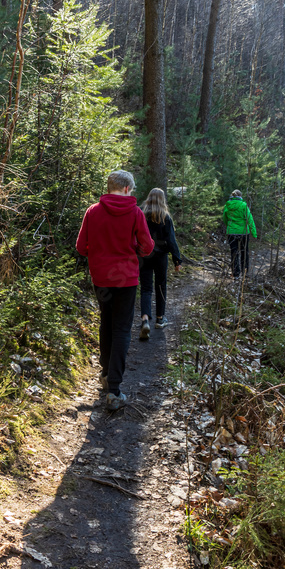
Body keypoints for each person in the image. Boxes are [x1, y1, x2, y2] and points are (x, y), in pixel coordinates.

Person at [76, 169, 154, 410]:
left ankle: (105, 374)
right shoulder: (135, 212)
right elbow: (148, 246)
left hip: (101, 278)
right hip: (127, 280)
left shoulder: (93, 211)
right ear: (127, 189)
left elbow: (81, 246)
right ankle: (114, 389)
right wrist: (135, 252)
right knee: (121, 328)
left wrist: (99, 257)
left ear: (109, 187)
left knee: (106, 323)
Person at [138, 188, 181, 340]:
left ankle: (144, 320)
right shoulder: (165, 217)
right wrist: (177, 259)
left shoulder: (141, 214)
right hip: (161, 256)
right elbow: (171, 240)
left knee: (146, 288)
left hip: (144, 255)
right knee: (161, 285)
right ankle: (159, 319)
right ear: (162, 200)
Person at [222, 189, 257, 278]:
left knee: (234, 253)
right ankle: (245, 272)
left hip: (231, 232)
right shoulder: (243, 205)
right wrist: (254, 233)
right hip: (243, 233)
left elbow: (225, 218)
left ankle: (236, 274)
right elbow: (250, 219)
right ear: (240, 196)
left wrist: (229, 226)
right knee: (244, 252)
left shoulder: (227, 205)